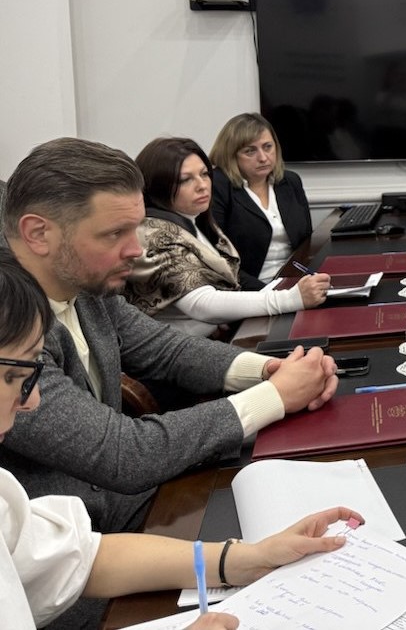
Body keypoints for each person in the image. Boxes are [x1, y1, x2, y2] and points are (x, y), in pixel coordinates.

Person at [0, 247, 358, 630]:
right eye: (15, 378)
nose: (33, 401)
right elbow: (122, 455)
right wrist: (275, 395)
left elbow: (77, 558)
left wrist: (248, 558)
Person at [0, 138, 339, 537]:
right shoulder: (10, 328)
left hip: (127, 509)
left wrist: (271, 370)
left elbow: (166, 349)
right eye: (115, 233)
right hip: (76, 548)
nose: (135, 249)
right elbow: (122, 454)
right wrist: (276, 396)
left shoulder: (83, 282)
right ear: (38, 233)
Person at [125, 137, 329, 336]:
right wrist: (289, 299)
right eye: (186, 179)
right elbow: (202, 305)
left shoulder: (194, 219)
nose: (202, 185)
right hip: (178, 351)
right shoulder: (154, 233)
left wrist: (224, 315)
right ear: (158, 186)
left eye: (204, 174)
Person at [209, 113, 314, 285]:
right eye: (250, 151)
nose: (263, 158)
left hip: (295, 281)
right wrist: (268, 294)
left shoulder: (290, 181)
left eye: (268, 147)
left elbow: (306, 242)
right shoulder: (218, 186)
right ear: (230, 155)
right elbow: (218, 260)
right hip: (248, 288)